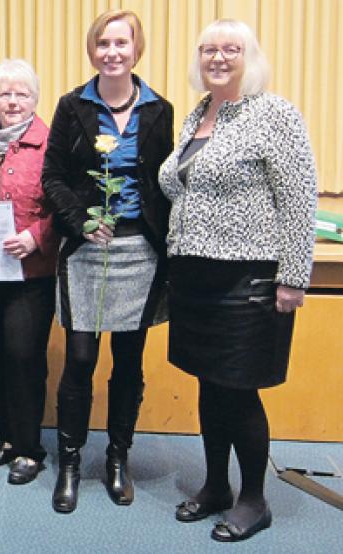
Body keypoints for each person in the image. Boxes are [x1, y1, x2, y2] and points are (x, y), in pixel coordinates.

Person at [159, 19, 316, 542]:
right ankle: (215, 487)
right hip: (194, 278)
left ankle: (254, 499)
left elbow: (298, 198)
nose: (218, 58)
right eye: (209, 49)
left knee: (240, 392)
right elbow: (183, 187)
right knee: (210, 386)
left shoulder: (274, 114)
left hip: (247, 278)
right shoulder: (199, 112)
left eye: (231, 49)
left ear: (250, 56)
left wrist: (293, 278)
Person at [42, 9, 173, 513]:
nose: (113, 52)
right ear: (92, 49)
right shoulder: (72, 105)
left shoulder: (160, 108)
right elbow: (53, 175)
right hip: (85, 249)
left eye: (122, 42)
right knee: (80, 358)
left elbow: (165, 181)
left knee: (129, 361)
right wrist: (80, 221)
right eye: (104, 43)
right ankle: (70, 463)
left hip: (140, 251)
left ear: (136, 49)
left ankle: (118, 459)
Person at [0, 59, 56, 485]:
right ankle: (4, 436)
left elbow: (65, 207)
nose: (13, 101)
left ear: (35, 100)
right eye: (5, 93)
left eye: (22, 94)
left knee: (23, 356)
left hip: (30, 271)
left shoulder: (51, 143)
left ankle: (29, 446)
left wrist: (37, 236)